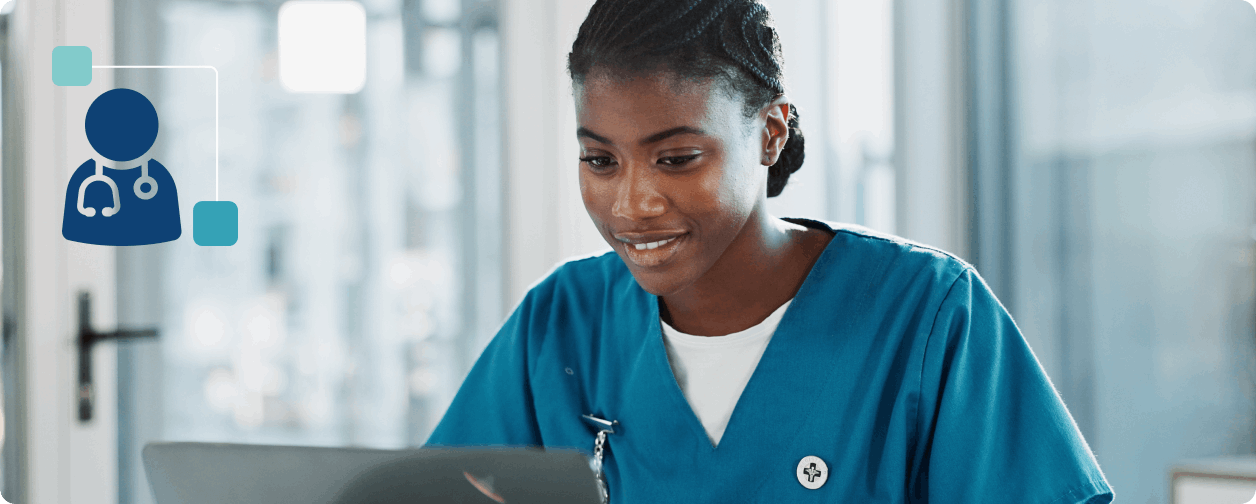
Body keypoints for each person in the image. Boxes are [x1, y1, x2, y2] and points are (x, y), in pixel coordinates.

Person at [427, 1, 1115, 502]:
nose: (632, 203)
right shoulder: (560, 324)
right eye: (600, 161)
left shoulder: (926, 314)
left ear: (770, 134)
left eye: (676, 157)